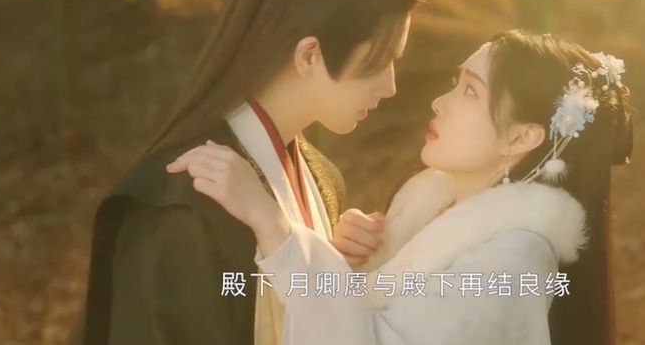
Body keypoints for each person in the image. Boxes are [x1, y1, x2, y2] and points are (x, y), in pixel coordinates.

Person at [78, 0, 431, 344]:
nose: (391, 86)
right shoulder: (181, 207)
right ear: (309, 55)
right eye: (377, 62)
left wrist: (334, 265)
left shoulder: (324, 182)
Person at [169, 29, 633, 344]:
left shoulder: (510, 264)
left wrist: (274, 225)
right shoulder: (432, 218)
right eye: (455, 83)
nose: (440, 102)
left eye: (470, 91)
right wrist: (348, 261)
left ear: (521, 138)